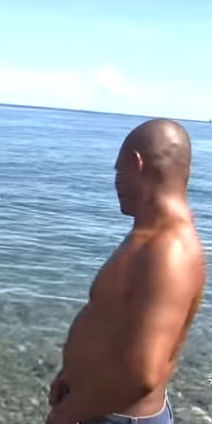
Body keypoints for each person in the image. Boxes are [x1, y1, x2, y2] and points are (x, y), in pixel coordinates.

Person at [47, 119, 206, 424]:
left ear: (137, 163)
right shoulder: (149, 236)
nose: (116, 182)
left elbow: (144, 374)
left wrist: (70, 413)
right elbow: (115, 321)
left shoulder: (168, 251)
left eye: (118, 172)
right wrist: (72, 377)